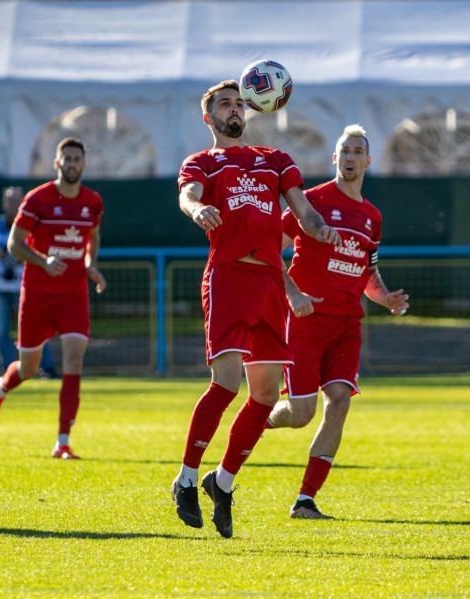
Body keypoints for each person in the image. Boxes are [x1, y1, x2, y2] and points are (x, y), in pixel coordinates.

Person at [170, 80, 341, 539]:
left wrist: (319, 227)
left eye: (238, 103)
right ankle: (186, 478)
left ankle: (222, 482)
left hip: (268, 283)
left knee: (264, 396)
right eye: (224, 104)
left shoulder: (275, 160)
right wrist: (196, 209)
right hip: (228, 276)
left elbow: (303, 211)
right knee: (226, 383)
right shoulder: (202, 161)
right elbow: (188, 194)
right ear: (208, 117)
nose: (234, 109)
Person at [264, 124, 410, 519]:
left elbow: (368, 273)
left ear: (368, 161)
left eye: (357, 151)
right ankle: (257, 419)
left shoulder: (372, 217)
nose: (350, 157)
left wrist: (386, 298)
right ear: (335, 158)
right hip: (307, 320)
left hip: (347, 325)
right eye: (344, 150)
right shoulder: (310, 202)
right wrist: (293, 294)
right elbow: (267, 250)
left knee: (340, 401)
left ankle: (305, 500)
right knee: (300, 415)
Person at [0, 138, 107, 462]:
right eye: (67, 158)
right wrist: (43, 261)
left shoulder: (92, 202)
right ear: (57, 163)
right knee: (28, 368)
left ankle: (62, 442)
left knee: (74, 361)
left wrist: (91, 265)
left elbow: (92, 237)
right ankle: (2, 388)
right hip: (37, 294)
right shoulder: (38, 199)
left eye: (77, 159)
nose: (72, 163)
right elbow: (14, 243)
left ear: (84, 164)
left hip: (74, 294)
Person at [0, 186, 58, 377]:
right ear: (4, 203)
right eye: (10, 201)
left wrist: (23, 256)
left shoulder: (32, 223)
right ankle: (8, 372)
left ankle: (47, 369)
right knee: (1, 330)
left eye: (18, 201)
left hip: (26, 286)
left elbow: (44, 252)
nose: (14, 205)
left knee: (36, 327)